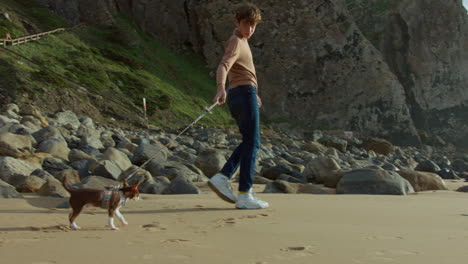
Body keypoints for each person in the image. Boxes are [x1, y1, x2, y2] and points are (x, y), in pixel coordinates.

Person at [208, 2, 268, 209]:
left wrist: (255, 93)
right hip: (242, 93)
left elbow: (243, 72)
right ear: (237, 22)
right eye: (246, 24)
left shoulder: (243, 41)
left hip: (243, 93)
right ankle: (244, 194)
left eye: (253, 25)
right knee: (253, 142)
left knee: (250, 141)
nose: (250, 29)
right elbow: (224, 65)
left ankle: (223, 177)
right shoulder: (235, 41)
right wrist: (220, 88)